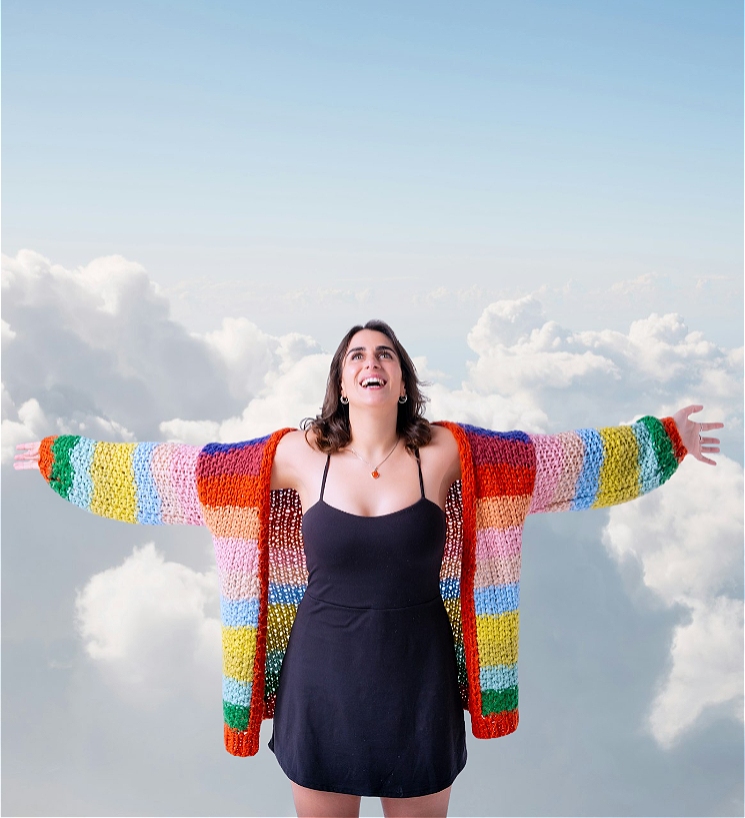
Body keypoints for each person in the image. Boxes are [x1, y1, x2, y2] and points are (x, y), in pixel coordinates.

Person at [15, 319, 723, 818]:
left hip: (417, 685)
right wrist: (63, 456)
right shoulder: (296, 455)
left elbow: (560, 462)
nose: (370, 361)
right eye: (355, 354)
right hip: (319, 683)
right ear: (341, 382)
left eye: (383, 353)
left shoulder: (448, 453)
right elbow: (181, 474)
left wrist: (664, 439)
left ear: (402, 381)